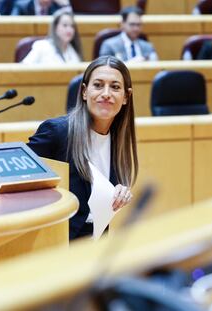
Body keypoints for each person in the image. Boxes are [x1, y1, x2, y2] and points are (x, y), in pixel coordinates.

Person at [27, 56, 138, 240]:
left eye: (115, 87)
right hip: (57, 242)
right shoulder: (58, 132)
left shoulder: (118, 138)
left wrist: (119, 193)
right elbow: (19, 181)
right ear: (85, 92)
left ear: (126, 97)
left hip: (96, 238)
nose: (106, 93)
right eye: (98, 85)